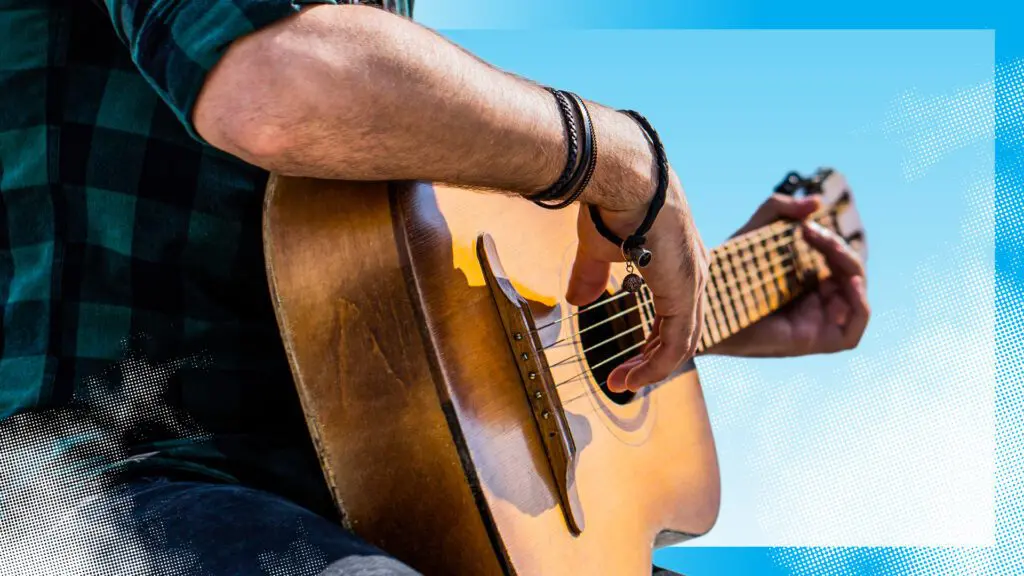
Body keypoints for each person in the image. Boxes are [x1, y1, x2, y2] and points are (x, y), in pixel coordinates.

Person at [0, 1, 869, 574]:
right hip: (95, 501)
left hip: (358, 521)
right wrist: (619, 158)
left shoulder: (389, 46)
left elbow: (398, 327)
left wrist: (693, 314)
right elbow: (276, 88)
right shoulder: (325, 42)